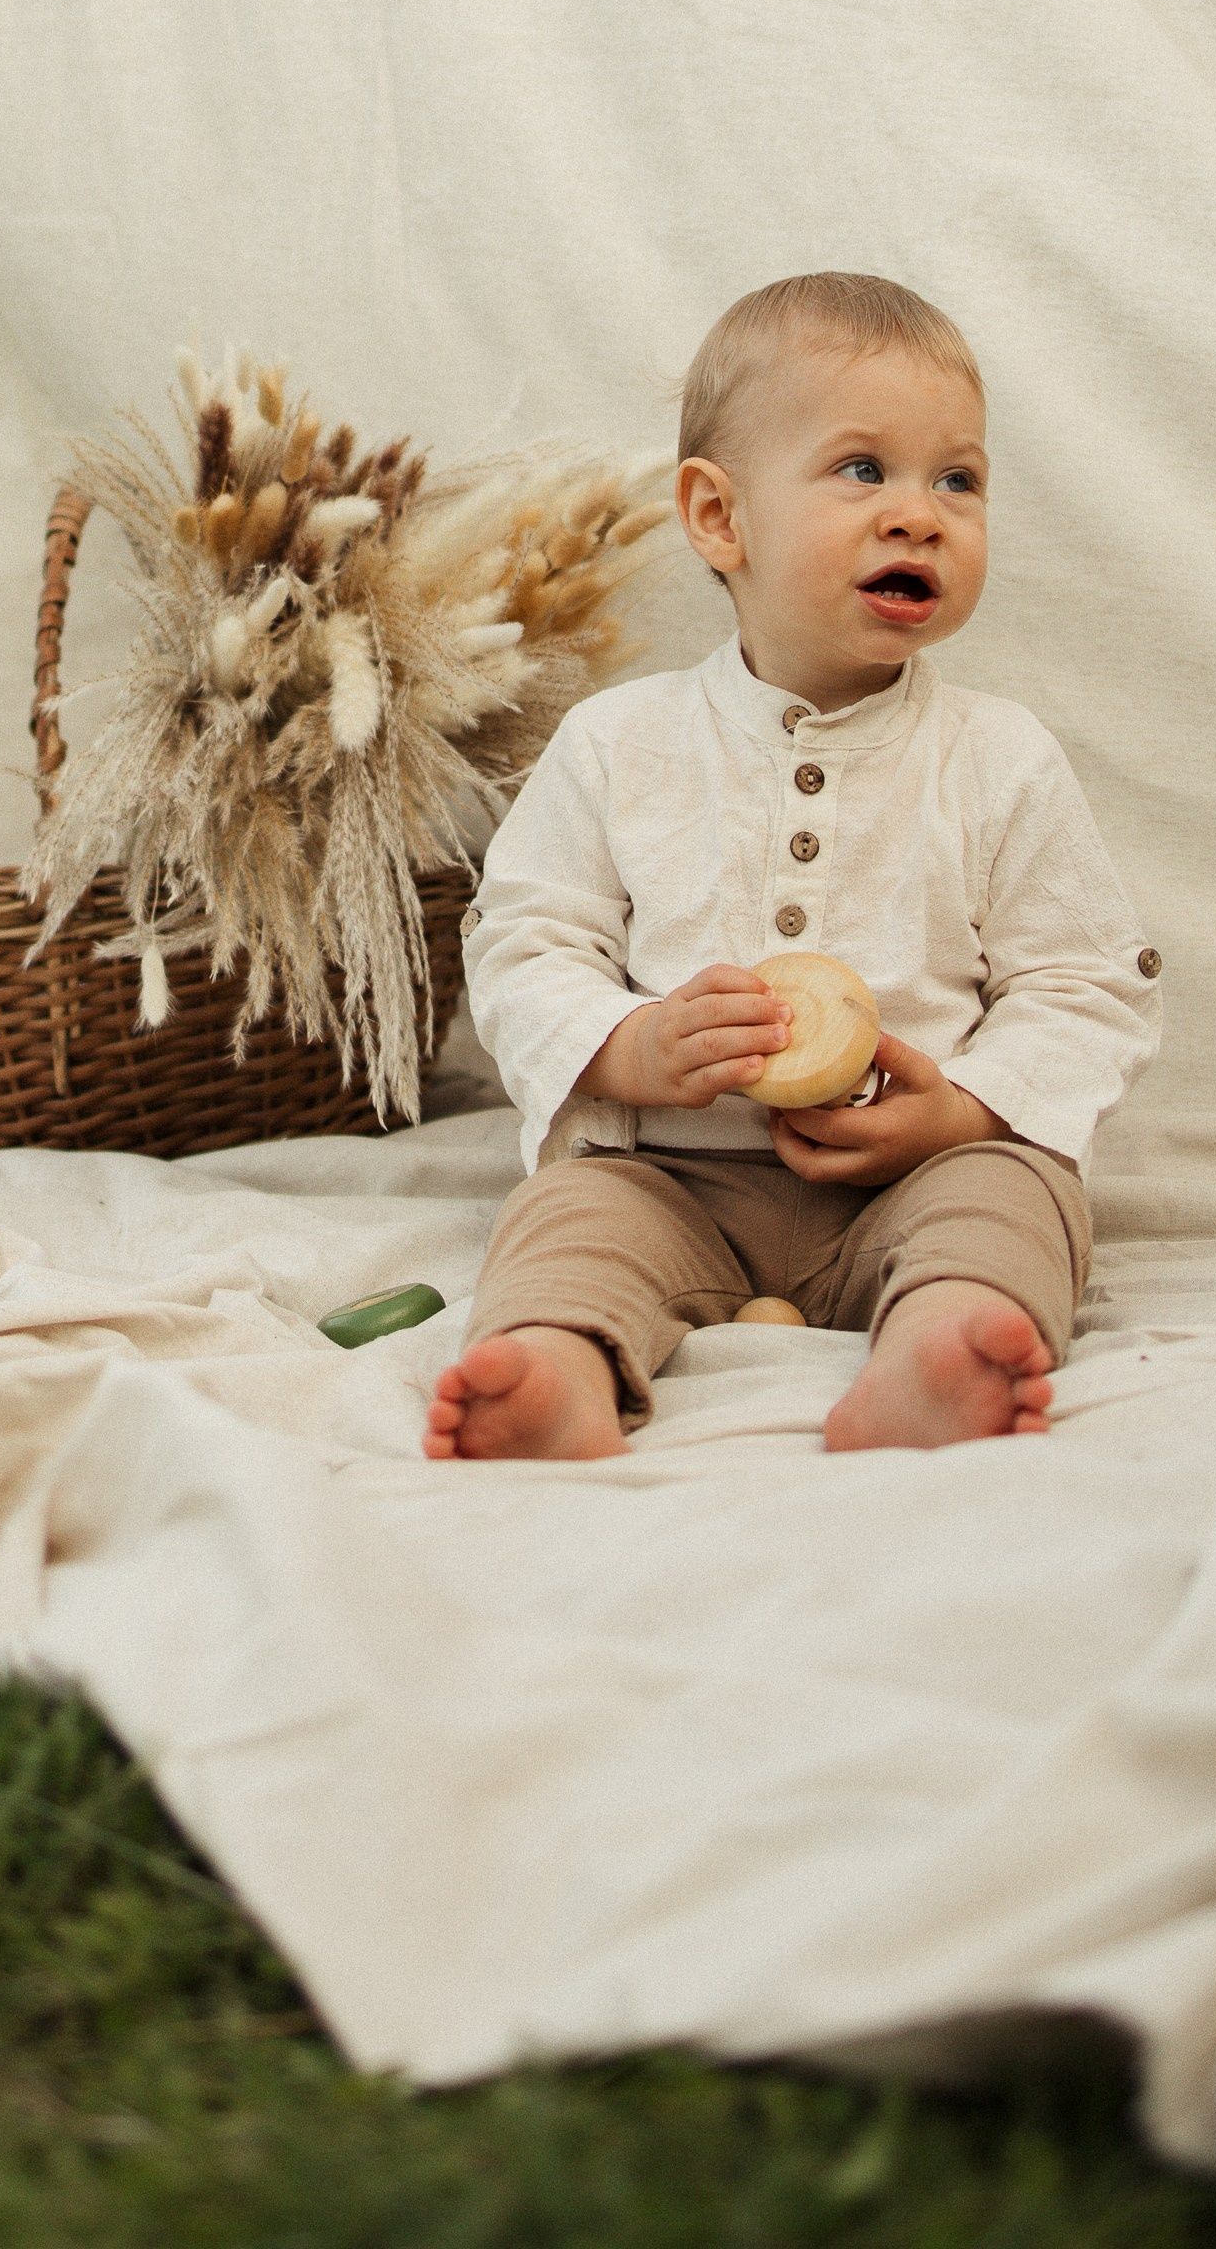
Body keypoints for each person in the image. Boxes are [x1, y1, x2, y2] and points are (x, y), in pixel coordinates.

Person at [423, 271, 1162, 1463]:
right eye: (864, 469)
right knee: (567, 1218)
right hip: (672, 1172)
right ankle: (557, 1368)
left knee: (1019, 1199)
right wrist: (631, 1045)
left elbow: (1087, 984)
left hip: (915, 1177)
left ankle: (943, 1347)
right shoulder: (622, 745)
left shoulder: (1000, 758)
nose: (920, 513)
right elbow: (522, 941)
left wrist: (962, 1112)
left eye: (957, 480)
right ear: (720, 517)